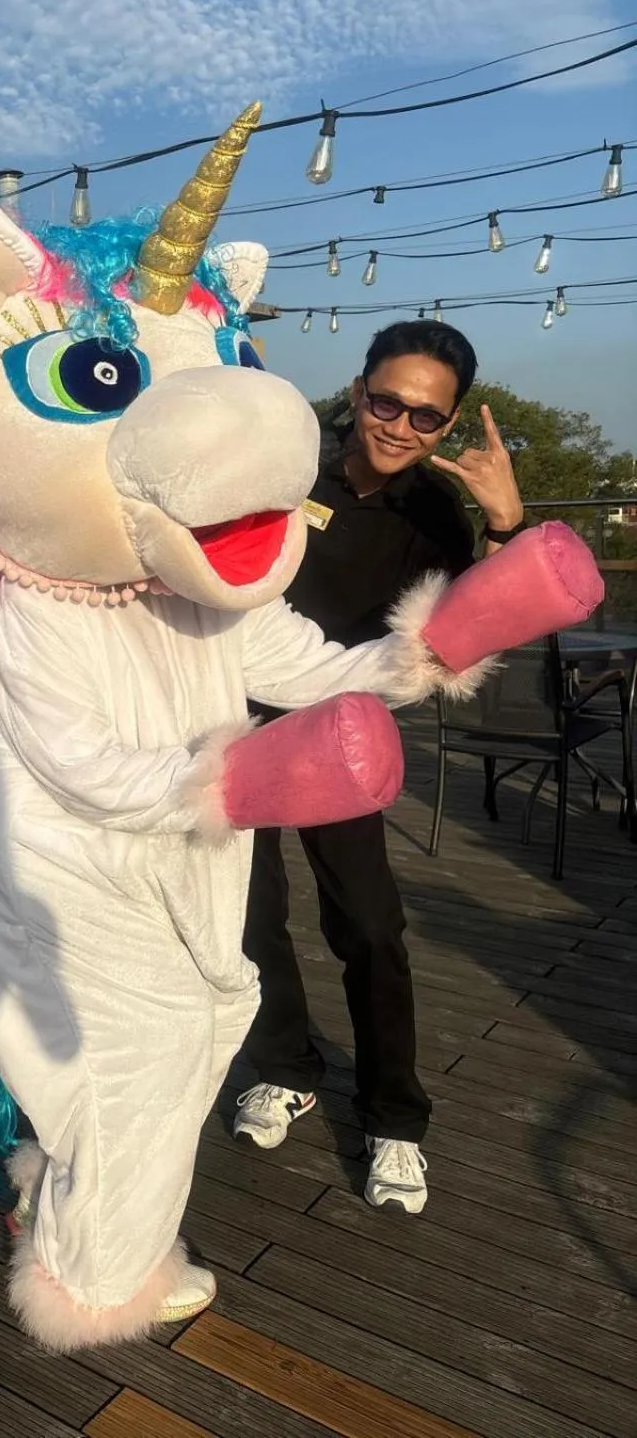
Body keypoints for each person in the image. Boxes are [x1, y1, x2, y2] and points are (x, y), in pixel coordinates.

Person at [233, 319, 525, 1214]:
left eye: (426, 417)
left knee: (367, 922)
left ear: (450, 424)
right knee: (249, 908)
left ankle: (395, 1119)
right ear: (358, 390)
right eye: (386, 401)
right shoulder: (291, 472)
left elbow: (482, 624)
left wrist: (506, 524)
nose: (400, 425)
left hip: (342, 732)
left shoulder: (433, 514)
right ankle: (284, 1064)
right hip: (239, 715)